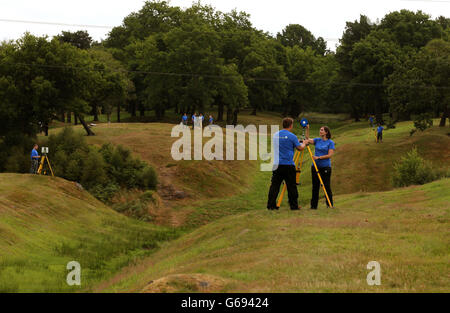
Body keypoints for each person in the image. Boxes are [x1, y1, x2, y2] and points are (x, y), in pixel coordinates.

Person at [267, 117, 307, 211]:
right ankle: (294, 206)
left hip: (277, 163)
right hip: (288, 164)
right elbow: (300, 148)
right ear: (291, 125)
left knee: (275, 185)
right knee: (291, 186)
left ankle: (271, 206)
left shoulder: (276, 135)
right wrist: (304, 143)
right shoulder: (292, 136)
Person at [304, 125, 335, 209]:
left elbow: (330, 155)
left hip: (325, 167)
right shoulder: (317, 140)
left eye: (322, 130)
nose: (320, 131)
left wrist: (319, 157)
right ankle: (313, 207)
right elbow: (307, 139)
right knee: (315, 187)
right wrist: (307, 129)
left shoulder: (330, 142)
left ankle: (330, 205)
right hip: (315, 167)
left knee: (326, 186)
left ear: (326, 132)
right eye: (320, 130)